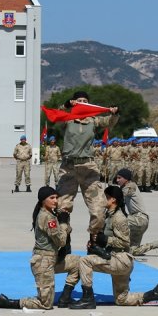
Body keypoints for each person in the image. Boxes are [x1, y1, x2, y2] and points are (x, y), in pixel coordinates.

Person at [70, 186, 158, 309]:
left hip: (121, 260)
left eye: (105, 197)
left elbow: (125, 243)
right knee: (122, 300)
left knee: (84, 261)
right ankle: (154, 294)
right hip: (116, 258)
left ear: (113, 199)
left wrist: (105, 239)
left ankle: (88, 298)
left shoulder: (119, 218)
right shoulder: (109, 215)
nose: (102, 199)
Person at [0, 186, 80, 310]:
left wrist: (64, 222)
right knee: (46, 304)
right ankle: (11, 303)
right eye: (51, 198)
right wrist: (63, 223)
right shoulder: (47, 217)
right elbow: (61, 241)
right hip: (43, 262)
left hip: (53, 259)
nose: (55, 201)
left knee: (79, 262)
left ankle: (65, 296)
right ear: (42, 200)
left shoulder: (51, 214)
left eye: (56, 198)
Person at [55, 91, 119, 249]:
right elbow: (57, 116)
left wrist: (114, 113)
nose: (82, 102)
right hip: (68, 167)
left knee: (98, 208)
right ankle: (64, 242)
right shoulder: (67, 119)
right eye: (79, 100)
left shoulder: (94, 120)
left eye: (85, 100)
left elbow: (109, 122)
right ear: (74, 102)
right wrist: (66, 105)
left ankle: (94, 242)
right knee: (62, 207)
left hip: (88, 167)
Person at [114, 168, 158, 257]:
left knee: (116, 221)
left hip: (139, 219)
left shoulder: (131, 186)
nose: (117, 180)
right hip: (138, 221)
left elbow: (117, 196)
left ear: (126, 179)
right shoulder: (124, 187)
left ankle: (112, 245)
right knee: (133, 251)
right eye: (117, 178)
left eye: (120, 178)